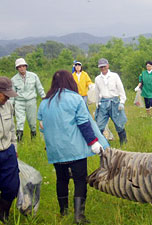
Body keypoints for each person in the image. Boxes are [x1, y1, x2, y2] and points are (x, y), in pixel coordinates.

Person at [38, 70, 109, 224]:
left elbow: (42, 127)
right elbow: (84, 123)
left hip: (56, 151)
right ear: (70, 81)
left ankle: (64, 212)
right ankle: (79, 216)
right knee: (79, 180)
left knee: (61, 180)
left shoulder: (44, 103)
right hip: (74, 149)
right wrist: (94, 142)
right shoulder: (75, 99)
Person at [11, 58, 46, 141]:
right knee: (20, 121)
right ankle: (19, 140)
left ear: (26, 66)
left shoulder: (33, 76)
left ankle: (33, 139)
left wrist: (43, 97)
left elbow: (39, 87)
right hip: (19, 102)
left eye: (23, 66)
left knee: (32, 122)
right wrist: (11, 105)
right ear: (17, 68)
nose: (22, 68)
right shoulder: (13, 79)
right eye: (19, 67)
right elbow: (12, 94)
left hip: (31, 101)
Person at [94, 58, 128, 145]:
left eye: (104, 66)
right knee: (99, 125)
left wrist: (122, 102)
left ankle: (123, 143)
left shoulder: (114, 76)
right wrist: (97, 103)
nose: (103, 68)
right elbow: (97, 92)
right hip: (103, 102)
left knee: (119, 124)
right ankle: (100, 145)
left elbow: (121, 89)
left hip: (115, 102)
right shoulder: (97, 78)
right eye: (101, 67)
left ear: (108, 66)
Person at [0, 77, 19, 223]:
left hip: (8, 152)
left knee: (12, 186)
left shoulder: (8, 106)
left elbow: (12, 129)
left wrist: (14, 147)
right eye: (4, 94)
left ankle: (3, 213)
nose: (7, 97)